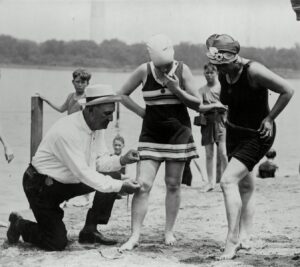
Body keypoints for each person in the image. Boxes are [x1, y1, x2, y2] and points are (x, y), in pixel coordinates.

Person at [6, 84, 141, 251]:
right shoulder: (66, 131)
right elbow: (84, 173)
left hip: (67, 182)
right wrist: (121, 186)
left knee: (113, 176)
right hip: (40, 186)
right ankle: (20, 224)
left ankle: (90, 231)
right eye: (107, 114)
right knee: (56, 242)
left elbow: (99, 162)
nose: (111, 119)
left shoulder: (96, 126)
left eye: (112, 113)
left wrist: (122, 160)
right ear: (90, 110)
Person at [205, 34, 294, 260]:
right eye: (217, 66)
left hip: (258, 135)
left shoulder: (253, 71)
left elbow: (287, 90)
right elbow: (232, 100)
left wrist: (270, 118)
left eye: (222, 66)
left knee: (227, 181)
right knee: (245, 186)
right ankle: (245, 236)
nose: (220, 71)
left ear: (234, 59)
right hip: (235, 132)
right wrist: (221, 110)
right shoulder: (225, 73)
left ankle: (232, 238)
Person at [117, 34, 201, 251]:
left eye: (167, 66)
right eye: (160, 66)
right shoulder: (144, 70)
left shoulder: (183, 70)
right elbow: (122, 95)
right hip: (151, 135)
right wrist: (143, 113)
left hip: (178, 135)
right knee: (142, 185)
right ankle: (135, 235)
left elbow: (198, 104)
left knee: (173, 185)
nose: (164, 70)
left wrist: (177, 90)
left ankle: (168, 231)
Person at [38, 68, 92, 207]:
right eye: (77, 81)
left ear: (87, 83)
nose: (80, 84)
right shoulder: (70, 96)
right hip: (68, 132)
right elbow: (61, 109)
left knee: (81, 164)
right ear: (72, 82)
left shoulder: (87, 98)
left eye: (83, 82)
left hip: (80, 134)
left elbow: (88, 119)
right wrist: (46, 99)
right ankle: (63, 197)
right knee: (63, 163)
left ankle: (86, 196)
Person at [197, 63, 228, 192]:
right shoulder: (201, 90)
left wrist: (221, 107)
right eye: (206, 73)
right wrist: (215, 105)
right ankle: (210, 182)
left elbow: (227, 105)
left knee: (223, 153)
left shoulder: (222, 88)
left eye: (211, 73)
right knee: (209, 154)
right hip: (207, 122)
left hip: (221, 121)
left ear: (216, 73)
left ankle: (226, 181)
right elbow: (199, 107)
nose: (209, 75)